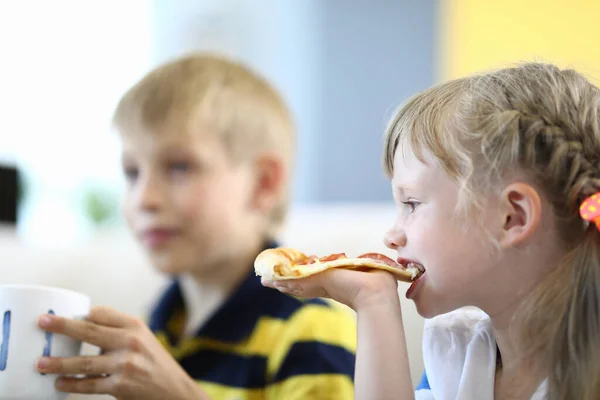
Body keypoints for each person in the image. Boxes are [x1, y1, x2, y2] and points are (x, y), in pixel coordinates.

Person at [263, 62, 600, 400]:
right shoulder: (457, 353)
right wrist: (374, 301)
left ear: (512, 217)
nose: (391, 236)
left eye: (411, 203)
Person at [35, 53, 356, 399]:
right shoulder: (157, 324)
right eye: (132, 172)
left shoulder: (311, 327)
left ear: (263, 184)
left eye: (179, 167)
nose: (145, 198)